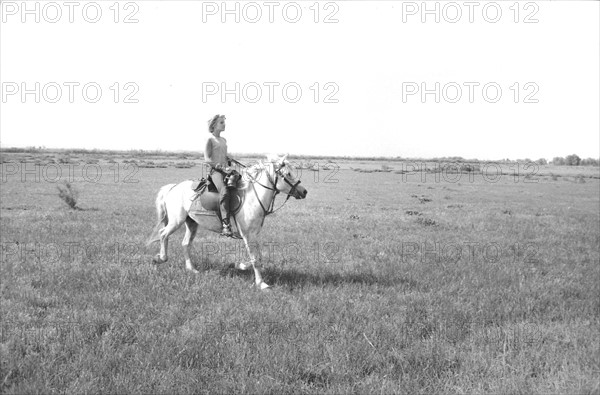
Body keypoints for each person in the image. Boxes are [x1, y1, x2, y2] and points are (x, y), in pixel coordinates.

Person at [204, 114, 236, 237]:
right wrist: (218, 166)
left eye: (224, 122)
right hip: (215, 172)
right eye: (221, 122)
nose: (224, 124)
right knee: (224, 192)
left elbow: (223, 155)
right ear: (214, 125)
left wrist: (229, 159)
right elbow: (207, 159)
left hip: (226, 170)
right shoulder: (210, 140)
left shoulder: (224, 140)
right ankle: (226, 225)